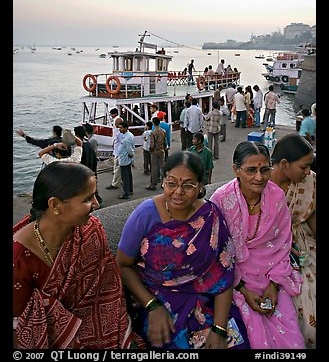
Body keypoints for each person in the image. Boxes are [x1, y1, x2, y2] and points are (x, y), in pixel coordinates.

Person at [116, 151, 250, 350]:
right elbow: (123, 265)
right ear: (163, 182)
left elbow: (223, 274)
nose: (178, 192)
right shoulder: (145, 215)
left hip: (206, 302)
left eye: (188, 185)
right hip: (157, 302)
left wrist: (219, 328)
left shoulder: (211, 217)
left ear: (200, 186)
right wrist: (152, 305)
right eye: (172, 183)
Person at [13, 161, 146, 349]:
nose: (96, 204)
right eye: (87, 199)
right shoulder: (19, 259)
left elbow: (108, 290)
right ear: (55, 205)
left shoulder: (90, 230)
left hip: (103, 327)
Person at [209, 141, 305, 349]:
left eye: (264, 169)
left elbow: (282, 243)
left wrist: (274, 284)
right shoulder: (221, 200)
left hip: (273, 273)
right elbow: (217, 253)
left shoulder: (276, 196)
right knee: (254, 338)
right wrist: (242, 289)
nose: (259, 177)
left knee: (292, 339)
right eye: (251, 170)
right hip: (234, 279)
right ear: (236, 169)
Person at [270, 134, 316, 349]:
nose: (308, 172)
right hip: (271, 248)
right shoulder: (261, 184)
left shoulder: (310, 182)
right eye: (304, 167)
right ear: (285, 164)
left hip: (304, 244)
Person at [146, 116, 167, 191]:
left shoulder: (153, 132)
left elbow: (152, 144)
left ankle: (153, 184)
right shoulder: (163, 131)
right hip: (162, 150)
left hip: (155, 151)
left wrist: (150, 151)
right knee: (162, 167)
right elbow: (165, 142)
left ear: (153, 123)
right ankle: (163, 182)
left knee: (154, 168)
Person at [117, 121, 135, 199]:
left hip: (124, 159)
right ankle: (130, 190)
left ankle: (126, 193)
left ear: (126, 128)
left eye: (121, 128)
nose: (119, 129)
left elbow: (130, 150)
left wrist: (131, 158)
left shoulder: (127, 138)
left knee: (125, 177)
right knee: (128, 175)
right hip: (125, 158)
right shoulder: (129, 135)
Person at [106, 115, 124, 190]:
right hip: (118, 152)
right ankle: (121, 180)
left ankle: (115, 183)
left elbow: (117, 141)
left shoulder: (119, 133)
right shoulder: (120, 131)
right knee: (120, 168)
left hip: (118, 153)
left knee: (117, 168)